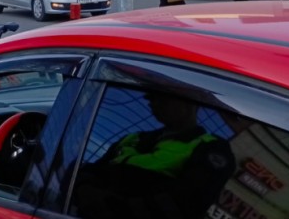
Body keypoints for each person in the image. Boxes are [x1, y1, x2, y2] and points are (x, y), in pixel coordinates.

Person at [71, 92, 234, 219]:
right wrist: (84, 188)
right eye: (151, 98)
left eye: (163, 98)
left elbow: (188, 203)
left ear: (191, 102)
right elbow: (88, 170)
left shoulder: (211, 146)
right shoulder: (133, 138)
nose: (153, 104)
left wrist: (109, 207)